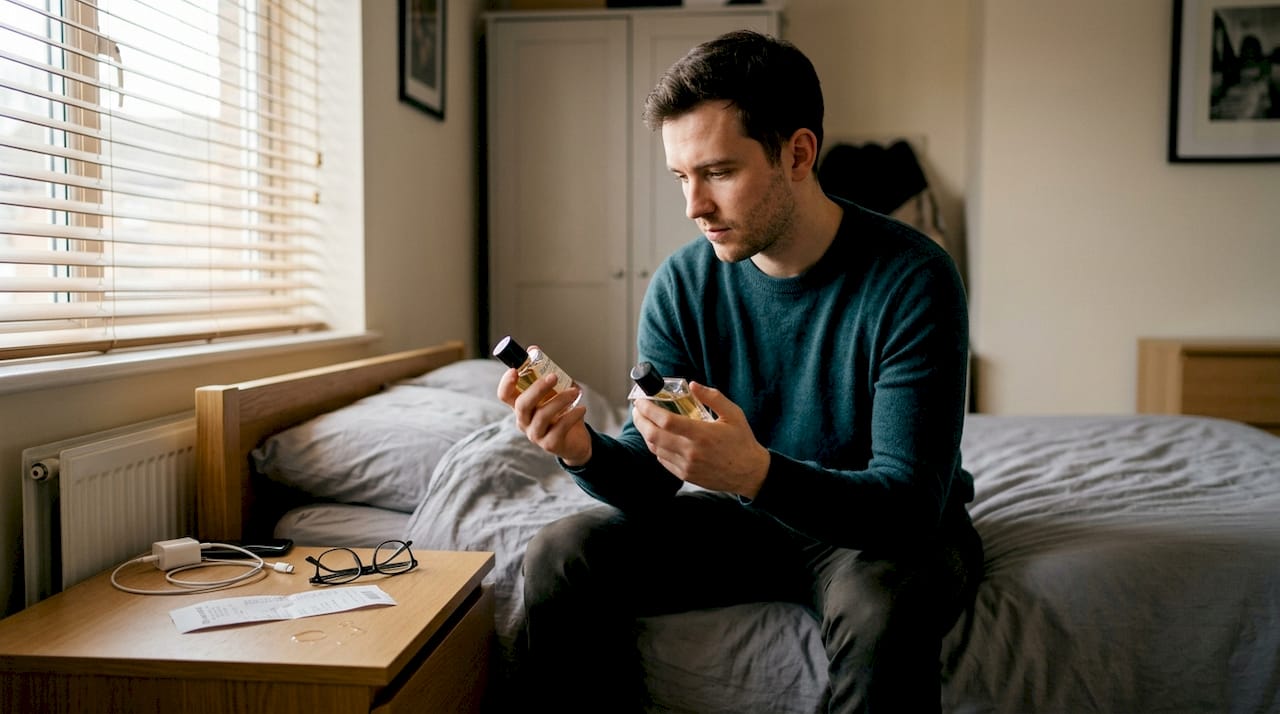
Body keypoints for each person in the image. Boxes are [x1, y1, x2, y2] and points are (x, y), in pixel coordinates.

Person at [497, 29, 983, 713]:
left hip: (879, 532)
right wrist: (580, 449)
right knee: (561, 551)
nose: (694, 206)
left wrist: (755, 473)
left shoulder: (913, 278)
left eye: (719, 173)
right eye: (681, 178)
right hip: (748, 521)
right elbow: (651, 477)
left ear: (798, 153)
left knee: (880, 611)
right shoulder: (681, 285)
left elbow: (908, 505)